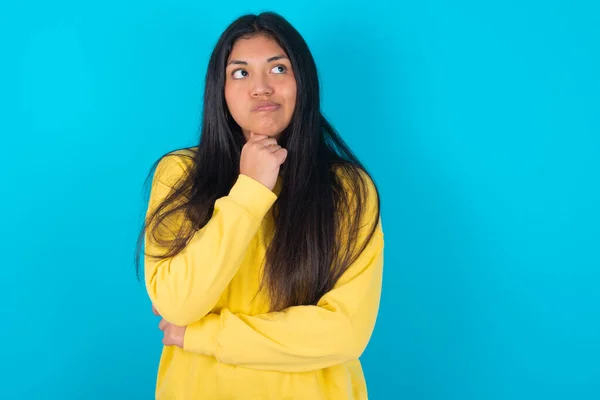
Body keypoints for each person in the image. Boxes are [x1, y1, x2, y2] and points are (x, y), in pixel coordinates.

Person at [135, 11, 385, 400]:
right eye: (240, 73)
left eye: (278, 68)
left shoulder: (349, 190)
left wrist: (204, 335)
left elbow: (345, 334)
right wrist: (250, 190)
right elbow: (177, 304)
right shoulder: (180, 175)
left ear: (303, 81)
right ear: (219, 89)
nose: (261, 88)